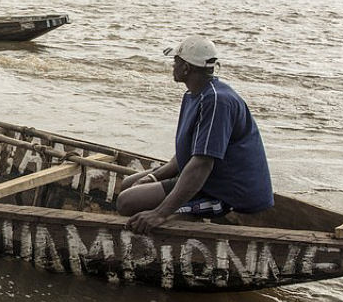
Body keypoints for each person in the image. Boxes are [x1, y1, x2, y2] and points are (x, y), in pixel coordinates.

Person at [117, 36, 273, 234]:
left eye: (176, 61)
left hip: (225, 193)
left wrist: (160, 213)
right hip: (206, 181)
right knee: (128, 184)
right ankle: (178, 212)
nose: (172, 65)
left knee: (126, 202)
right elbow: (182, 158)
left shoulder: (217, 101)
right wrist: (152, 177)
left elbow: (202, 163)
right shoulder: (194, 95)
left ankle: (186, 217)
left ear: (186, 68)